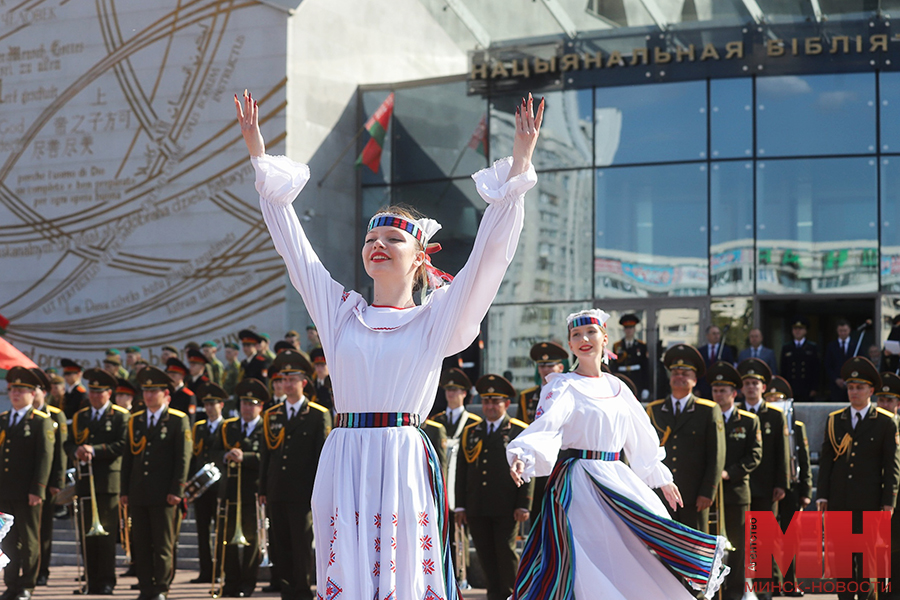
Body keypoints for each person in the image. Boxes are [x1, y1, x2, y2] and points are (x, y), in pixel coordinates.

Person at [237, 85, 542, 599]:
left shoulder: (435, 318)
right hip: (345, 453)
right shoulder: (340, 313)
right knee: (346, 572)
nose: (377, 246)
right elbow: (297, 254)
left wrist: (517, 171)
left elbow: (488, 260)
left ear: (420, 256)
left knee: (400, 574)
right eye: (370, 239)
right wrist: (260, 160)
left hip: (402, 455)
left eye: (393, 239)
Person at [508, 310, 729, 599]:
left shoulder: (618, 387)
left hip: (616, 479)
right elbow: (546, 425)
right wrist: (523, 454)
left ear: (605, 339)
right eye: (576, 335)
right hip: (579, 483)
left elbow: (640, 435)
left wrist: (660, 476)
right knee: (584, 555)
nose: (584, 339)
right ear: (571, 345)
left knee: (631, 553)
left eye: (590, 332)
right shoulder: (562, 385)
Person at [816, 357, 900, 600]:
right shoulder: (835, 420)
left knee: (865, 565)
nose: (854, 392)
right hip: (840, 500)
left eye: (860, 387)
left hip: (869, 502)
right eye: (851, 387)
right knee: (843, 565)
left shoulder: (885, 422)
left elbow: (891, 466)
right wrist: (822, 494)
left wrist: (888, 502)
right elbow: (826, 461)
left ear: (871, 391)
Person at [259, 351, 330, 600]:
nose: (286, 384)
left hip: (303, 492)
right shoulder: (271, 414)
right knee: (281, 546)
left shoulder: (317, 414)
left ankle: (302, 592)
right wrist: (263, 489)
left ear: (304, 382)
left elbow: (321, 457)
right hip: (277, 490)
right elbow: (267, 455)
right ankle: (287, 592)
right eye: (283, 379)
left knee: (301, 545)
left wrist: (320, 492)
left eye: (292, 379)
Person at [455, 374, 532, 600]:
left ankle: (511, 595)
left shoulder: (518, 430)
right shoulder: (471, 431)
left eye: (495, 402)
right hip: (477, 506)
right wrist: (460, 506)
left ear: (506, 404)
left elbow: (528, 469)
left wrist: (523, 504)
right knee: (486, 556)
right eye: (486, 401)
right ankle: (494, 596)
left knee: (505, 554)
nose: (489, 406)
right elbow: (462, 470)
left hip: (506, 506)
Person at [121, 366, 192, 600]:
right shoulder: (136, 421)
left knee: (162, 544)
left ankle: (161, 587)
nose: (149, 395)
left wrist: (177, 490)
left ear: (166, 395)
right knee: (141, 544)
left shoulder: (177, 420)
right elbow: (128, 458)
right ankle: (145, 586)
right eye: (146, 391)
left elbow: (183, 459)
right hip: (139, 492)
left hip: (164, 494)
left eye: (155, 391)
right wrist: (124, 491)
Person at [646, 344, 726, 532]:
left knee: (695, 551)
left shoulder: (708, 410)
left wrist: (708, 491)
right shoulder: (654, 410)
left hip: (694, 495)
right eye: (675, 373)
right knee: (665, 551)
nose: (679, 377)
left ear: (695, 380)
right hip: (662, 493)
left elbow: (716, 455)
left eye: (685, 373)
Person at [66, 369, 130, 595]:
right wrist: (77, 451)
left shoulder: (121, 416)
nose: (94, 395)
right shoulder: (80, 416)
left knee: (105, 536)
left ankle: (106, 581)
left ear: (109, 393)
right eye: (92, 391)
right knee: (87, 537)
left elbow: (122, 445)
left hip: (108, 483)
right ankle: (91, 581)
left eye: (99, 392)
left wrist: (96, 450)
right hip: (85, 482)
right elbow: (68, 443)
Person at [706, 361, 761, 600]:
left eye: (723, 391)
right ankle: (712, 588)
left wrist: (730, 472)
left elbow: (755, 455)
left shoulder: (748, 421)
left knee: (738, 545)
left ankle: (736, 591)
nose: (718, 395)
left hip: (736, 491)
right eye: (715, 390)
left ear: (733, 394)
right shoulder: (704, 417)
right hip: (708, 491)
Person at [1, 367, 53, 600]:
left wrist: (38, 489)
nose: (16, 394)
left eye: (22, 391)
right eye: (13, 390)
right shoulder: (3, 420)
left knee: (30, 540)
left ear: (33, 394)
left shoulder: (41, 421)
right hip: (5, 492)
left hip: (28, 492)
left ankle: (26, 585)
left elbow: (45, 458)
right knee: (7, 540)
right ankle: (10, 584)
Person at [212, 379, 267, 597]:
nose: (247, 408)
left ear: (260, 406)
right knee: (228, 539)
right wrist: (225, 456)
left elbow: (269, 458)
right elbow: (211, 453)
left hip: (252, 492)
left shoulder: (266, 427)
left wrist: (247, 457)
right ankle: (231, 582)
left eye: (252, 403)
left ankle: (248, 583)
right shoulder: (228, 426)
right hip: (230, 491)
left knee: (251, 540)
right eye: (244, 403)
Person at [429, 368, 481, 581]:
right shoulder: (437, 420)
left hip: (464, 482)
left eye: (456, 390)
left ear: (465, 393)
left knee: (463, 531)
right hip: (442, 480)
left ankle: (462, 573)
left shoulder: (473, 422)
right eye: (448, 390)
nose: (451, 394)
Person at [765, 375, 811, 598]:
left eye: (778, 398)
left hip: (792, 486)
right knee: (770, 536)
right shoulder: (761, 420)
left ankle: (790, 582)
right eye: (770, 398)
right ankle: (774, 581)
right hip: (770, 486)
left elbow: (804, 460)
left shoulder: (797, 425)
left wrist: (806, 491)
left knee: (791, 537)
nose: (774, 402)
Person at [29, 369, 66, 588]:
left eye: (34, 390)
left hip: (45, 482)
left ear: (43, 391)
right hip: (22, 480)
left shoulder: (55, 415)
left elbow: (60, 452)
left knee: (43, 531)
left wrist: (57, 482)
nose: (31, 394)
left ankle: (42, 570)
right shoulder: (20, 414)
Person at [188, 384, 228, 585]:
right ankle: (205, 571)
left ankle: (219, 570)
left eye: (213, 404)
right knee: (202, 532)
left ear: (221, 405)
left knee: (220, 530)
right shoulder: (199, 427)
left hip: (219, 486)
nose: (210, 408)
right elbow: (194, 456)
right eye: (206, 404)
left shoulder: (228, 426)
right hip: (201, 488)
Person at [518, 342, 567, 424]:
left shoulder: (568, 392)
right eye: (542, 366)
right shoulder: (526, 396)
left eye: (550, 366)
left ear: (561, 368)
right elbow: (520, 426)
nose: (546, 370)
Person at [611, 314, 651, 400]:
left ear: (635, 329)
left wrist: (646, 387)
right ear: (624, 329)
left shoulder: (641, 346)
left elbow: (645, 367)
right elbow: (613, 366)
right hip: (622, 377)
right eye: (626, 328)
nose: (629, 330)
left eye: (631, 327)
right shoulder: (617, 346)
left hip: (637, 379)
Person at [780, 317, 820, 402]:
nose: (797, 331)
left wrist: (814, 388)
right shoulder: (787, 348)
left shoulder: (812, 347)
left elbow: (817, 370)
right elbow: (783, 369)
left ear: (805, 331)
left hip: (807, 388)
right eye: (795, 329)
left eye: (800, 329)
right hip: (791, 388)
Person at [825, 319, 860, 403]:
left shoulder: (856, 345)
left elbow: (859, 365)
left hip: (852, 384)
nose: (843, 333)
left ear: (849, 330)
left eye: (845, 330)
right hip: (836, 385)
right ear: (837, 331)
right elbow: (827, 365)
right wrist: (836, 379)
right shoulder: (831, 346)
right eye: (840, 331)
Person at [697, 325, 736, 399]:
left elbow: (730, 368)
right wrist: (696, 388)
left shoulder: (726, 350)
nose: (717, 336)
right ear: (708, 336)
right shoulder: (701, 351)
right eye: (714, 334)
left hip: (720, 387)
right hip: (704, 389)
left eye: (718, 333)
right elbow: (698, 370)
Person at [165, 358, 197, 424]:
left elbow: (191, 419)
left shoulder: (188, 395)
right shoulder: (166, 393)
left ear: (182, 376)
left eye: (173, 375)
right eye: (169, 375)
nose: (171, 378)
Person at [309, 348, 333, 413]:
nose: (319, 369)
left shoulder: (333, 384)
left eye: (322, 365)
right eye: (317, 365)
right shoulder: (312, 383)